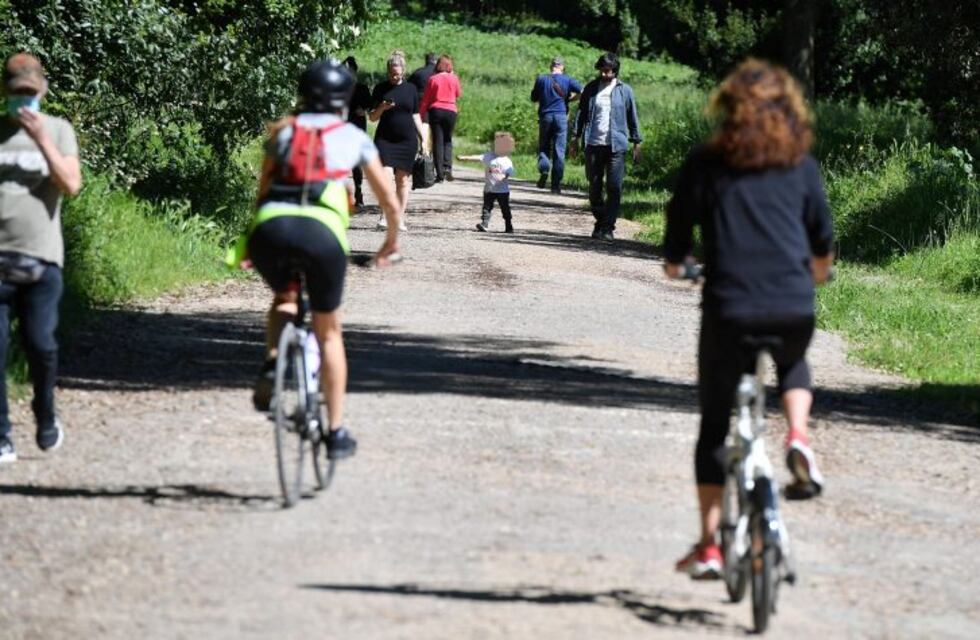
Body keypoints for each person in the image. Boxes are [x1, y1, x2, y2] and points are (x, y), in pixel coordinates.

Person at [664, 59, 833, 579]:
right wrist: (815, 275)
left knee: (715, 426)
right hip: (792, 301)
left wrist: (680, 265)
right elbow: (821, 242)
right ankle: (799, 436)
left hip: (730, 305)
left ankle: (711, 546)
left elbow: (676, 242)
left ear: (728, 109)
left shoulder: (706, 162)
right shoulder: (801, 165)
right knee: (794, 358)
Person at [238, 59, 403, 460]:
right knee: (329, 332)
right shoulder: (352, 136)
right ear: (342, 100)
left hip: (271, 229)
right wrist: (389, 242)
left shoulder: (282, 132)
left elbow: (263, 193)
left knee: (285, 297)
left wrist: (249, 244)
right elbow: (388, 202)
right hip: (320, 236)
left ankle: (272, 361)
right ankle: (335, 431)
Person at [0, 53, 81, 464]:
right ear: (5, 92)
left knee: (41, 345)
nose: (24, 101)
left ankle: (45, 410)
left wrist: (42, 141)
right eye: (17, 94)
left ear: (43, 91)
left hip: (41, 261)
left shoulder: (59, 131)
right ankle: (1, 435)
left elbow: (70, 184)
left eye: (31, 94)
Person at [571, 52, 642, 241]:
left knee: (614, 187)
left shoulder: (625, 90)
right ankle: (602, 221)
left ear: (615, 70)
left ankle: (608, 228)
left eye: (607, 71)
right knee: (594, 189)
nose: (603, 74)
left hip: (616, 146)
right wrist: (575, 138)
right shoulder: (591, 88)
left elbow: (632, 116)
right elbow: (582, 114)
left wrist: (636, 143)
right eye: (601, 70)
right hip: (593, 144)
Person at [369, 50, 426, 231]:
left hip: (406, 141)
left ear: (403, 72)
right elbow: (372, 118)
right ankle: (385, 215)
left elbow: (416, 115)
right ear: (387, 72)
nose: (395, 77)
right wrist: (382, 107)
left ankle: (399, 218)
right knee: (385, 179)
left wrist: (423, 139)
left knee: (402, 181)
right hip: (385, 139)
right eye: (392, 74)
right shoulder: (380, 88)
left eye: (398, 74)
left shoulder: (411, 90)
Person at [530, 56, 582, 194]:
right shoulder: (568, 79)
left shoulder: (541, 79)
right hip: (561, 117)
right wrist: (571, 99)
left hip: (545, 116)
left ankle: (544, 169)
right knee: (559, 151)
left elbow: (533, 98)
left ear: (550, 66)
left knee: (544, 146)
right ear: (562, 67)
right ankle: (555, 186)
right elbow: (582, 92)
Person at [458, 132, 515, 233]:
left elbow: (510, 172)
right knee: (487, 207)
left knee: (505, 208)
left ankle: (508, 225)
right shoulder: (489, 156)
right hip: (489, 189)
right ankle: (484, 223)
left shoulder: (507, 161)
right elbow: (477, 158)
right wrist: (465, 158)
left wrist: (504, 176)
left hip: (502, 191)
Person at [420, 55, 462, 182]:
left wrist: (421, 115)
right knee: (448, 140)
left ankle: (439, 174)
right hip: (451, 111)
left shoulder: (433, 79)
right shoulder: (454, 78)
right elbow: (458, 94)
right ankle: (447, 167)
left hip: (436, 110)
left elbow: (426, 99)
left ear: (438, 65)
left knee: (438, 141)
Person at [343, 56, 373, 207]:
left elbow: (370, 105)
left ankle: (358, 191)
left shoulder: (362, 89)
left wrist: (364, 110)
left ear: (355, 72)